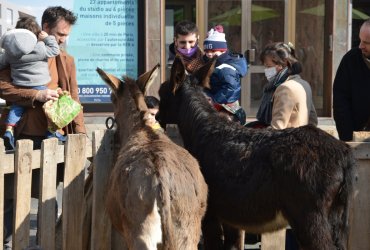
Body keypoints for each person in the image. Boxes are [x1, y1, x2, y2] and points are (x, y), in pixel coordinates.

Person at [0, 6, 86, 247]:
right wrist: (35, 96)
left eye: (66, 35)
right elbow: (3, 87)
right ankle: (8, 244)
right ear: (45, 28)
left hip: (52, 138)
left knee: (49, 195)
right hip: (19, 137)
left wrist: (80, 134)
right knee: (10, 198)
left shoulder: (66, 60)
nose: (63, 40)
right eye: (59, 35)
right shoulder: (19, 51)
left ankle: (46, 243)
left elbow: (75, 98)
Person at [0, 17, 62, 150]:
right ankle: (52, 132)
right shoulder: (40, 49)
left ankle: (9, 129)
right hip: (23, 133)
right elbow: (4, 89)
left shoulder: (10, 54)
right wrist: (47, 38)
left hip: (20, 87)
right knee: (51, 104)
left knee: (16, 108)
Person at [251, 42, 317, 129]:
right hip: (301, 138)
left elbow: (277, 127)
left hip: (287, 140)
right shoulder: (303, 83)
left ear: (283, 64)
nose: (266, 70)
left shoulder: (285, 88)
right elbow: (313, 119)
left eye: (268, 66)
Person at [333, 18, 370, 141]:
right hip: (355, 137)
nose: (360, 46)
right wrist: (347, 138)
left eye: (366, 42)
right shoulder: (351, 60)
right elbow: (340, 101)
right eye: (360, 40)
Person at [202, 24, 248, 125]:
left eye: (213, 51)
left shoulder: (226, 68)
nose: (209, 54)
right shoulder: (212, 62)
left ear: (223, 50)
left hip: (226, 107)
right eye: (206, 51)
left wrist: (214, 101)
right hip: (218, 104)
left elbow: (231, 88)